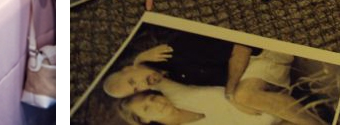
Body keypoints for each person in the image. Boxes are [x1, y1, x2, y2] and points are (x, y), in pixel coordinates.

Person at [105, 39, 323, 124]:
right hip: (262, 97)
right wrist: (139, 61)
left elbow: (242, 46)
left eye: (133, 80)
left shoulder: (173, 53)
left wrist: (230, 92)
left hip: (259, 58)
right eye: (136, 89)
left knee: (243, 95)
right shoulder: (161, 87)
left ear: (127, 69)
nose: (142, 86)